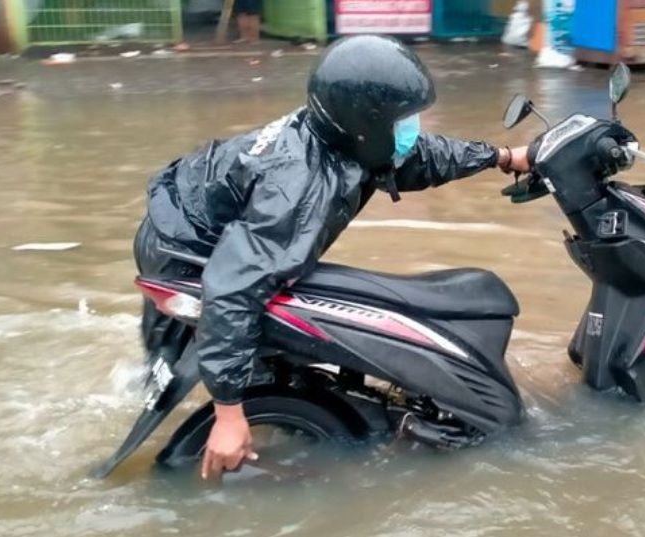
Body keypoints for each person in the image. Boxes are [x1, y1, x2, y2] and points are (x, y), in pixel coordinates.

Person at [133, 35, 532, 480]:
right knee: (254, 327)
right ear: (366, 122)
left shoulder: (340, 137)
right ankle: (250, 422)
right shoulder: (298, 190)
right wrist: (229, 413)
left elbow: (421, 157)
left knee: (262, 339)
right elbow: (233, 287)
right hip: (188, 254)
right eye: (402, 120)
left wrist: (502, 157)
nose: (412, 128)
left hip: (183, 227)